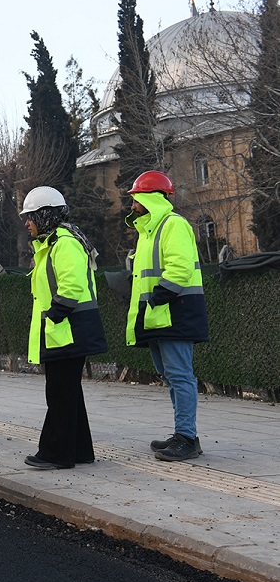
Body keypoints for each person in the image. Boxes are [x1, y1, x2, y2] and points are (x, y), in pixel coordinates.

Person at [20, 186, 107, 469]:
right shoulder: (53, 242)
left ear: (44, 215)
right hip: (64, 330)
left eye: (30, 216)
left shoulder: (64, 242)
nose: (27, 223)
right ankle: (80, 450)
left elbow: (71, 285)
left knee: (59, 393)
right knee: (68, 392)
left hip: (66, 330)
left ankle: (56, 454)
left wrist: (55, 315)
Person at [125, 170, 209, 461]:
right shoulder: (149, 231)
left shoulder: (172, 224)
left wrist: (158, 296)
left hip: (174, 313)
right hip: (160, 315)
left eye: (135, 198)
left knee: (180, 376)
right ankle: (183, 434)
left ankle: (186, 438)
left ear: (150, 198)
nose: (132, 205)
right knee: (171, 376)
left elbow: (180, 268)